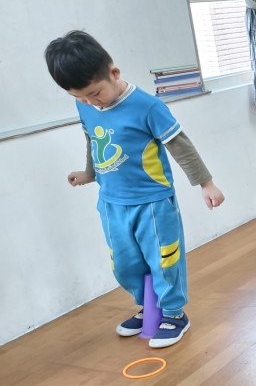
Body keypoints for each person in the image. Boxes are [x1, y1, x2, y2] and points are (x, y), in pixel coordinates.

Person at [45, 30, 224, 348]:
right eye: (80, 97)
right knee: (126, 264)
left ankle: (174, 314)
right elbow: (94, 140)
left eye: (95, 93)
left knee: (163, 260)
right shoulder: (86, 106)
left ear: (114, 73)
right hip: (111, 203)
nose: (90, 102)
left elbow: (180, 146)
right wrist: (89, 174)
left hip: (152, 202)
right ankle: (150, 310)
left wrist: (205, 183)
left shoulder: (147, 107)